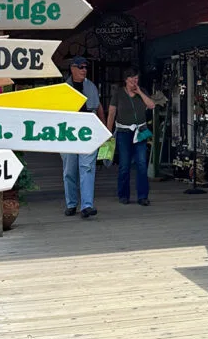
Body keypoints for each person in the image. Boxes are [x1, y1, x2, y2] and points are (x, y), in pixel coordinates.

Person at [61, 56, 105, 219]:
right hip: (69, 132)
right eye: (80, 67)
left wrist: (104, 129)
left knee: (87, 167)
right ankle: (71, 203)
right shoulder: (64, 88)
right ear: (72, 68)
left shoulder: (91, 86)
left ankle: (87, 205)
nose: (84, 70)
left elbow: (98, 106)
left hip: (88, 131)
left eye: (85, 67)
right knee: (69, 170)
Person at [107, 66, 157, 206]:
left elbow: (152, 105)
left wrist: (140, 92)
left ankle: (143, 196)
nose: (134, 82)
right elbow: (111, 113)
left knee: (141, 163)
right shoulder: (118, 94)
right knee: (124, 164)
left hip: (140, 131)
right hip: (123, 132)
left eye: (136, 79)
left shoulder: (142, 92)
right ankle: (123, 195)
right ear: (125, 80)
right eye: (131, 80)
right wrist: (108, 133)